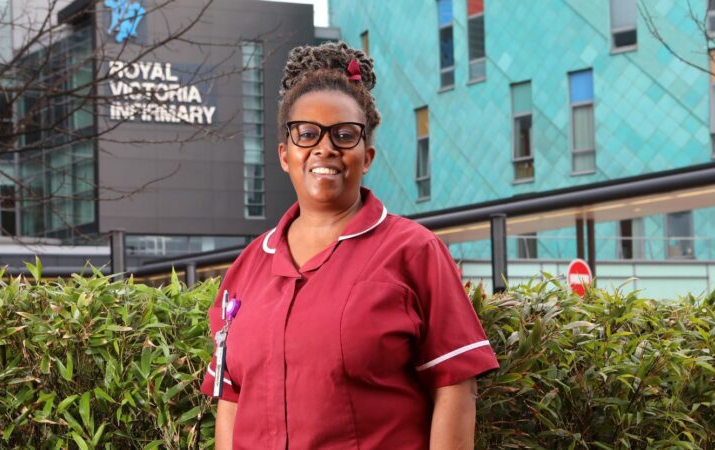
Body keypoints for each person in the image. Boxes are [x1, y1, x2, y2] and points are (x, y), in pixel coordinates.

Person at [201, 41, 499, 450]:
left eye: (344, 135)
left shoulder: (413, 251)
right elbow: (231, 400)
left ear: (368, 155)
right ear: (285, 155)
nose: (325, 147)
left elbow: (455, 388)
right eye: (307, 134)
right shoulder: (247, 267)